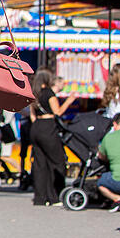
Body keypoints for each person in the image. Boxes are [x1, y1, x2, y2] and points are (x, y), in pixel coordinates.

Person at [29, 68, 76, 206]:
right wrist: (69, 101)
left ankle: (40, 197)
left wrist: (37, 124)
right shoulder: (49, 93)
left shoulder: (35, 93)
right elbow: (58, 112)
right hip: (48, 127)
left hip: (36, 126)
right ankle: (55, 196)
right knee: (57, 161)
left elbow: (32, 114)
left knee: (39, 164)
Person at [96, 113, 120, 212]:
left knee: (100, 183)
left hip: (117, 179)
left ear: (115, 124)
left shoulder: (108, 138)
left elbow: (101, 156)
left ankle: (117, 198)